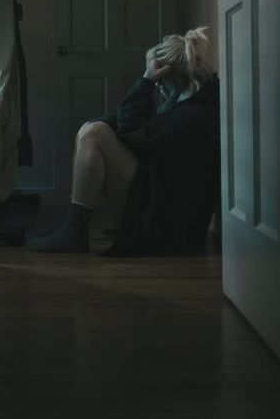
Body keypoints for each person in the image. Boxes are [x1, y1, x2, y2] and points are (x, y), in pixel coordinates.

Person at [27, 26, 220, 256]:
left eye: (157, 81)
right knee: (89, 131)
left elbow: (132, 133)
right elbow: (136, 126)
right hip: (163, 211)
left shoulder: (190, 116)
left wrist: (146, 81)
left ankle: (74, 231)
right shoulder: (189, 103)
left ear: (164, 77)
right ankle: (72, 226)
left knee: (94, 135)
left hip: (168, 232)